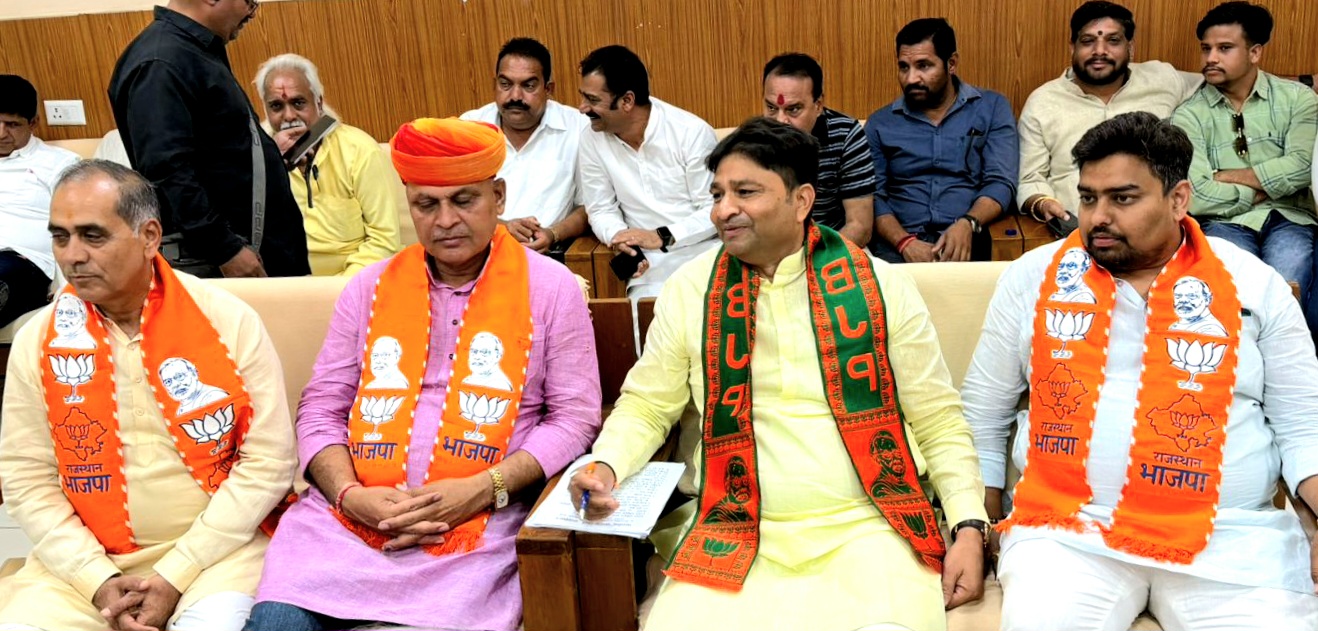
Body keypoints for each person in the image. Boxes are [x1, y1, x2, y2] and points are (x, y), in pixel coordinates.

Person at [571, 117, 989, 631]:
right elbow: (647, 405)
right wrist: (606, 465)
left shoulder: (880, 286)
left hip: (870, 529)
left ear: (802, 201)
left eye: (745, 192)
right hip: (733, 528)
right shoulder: (691, 289)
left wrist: (969, 525)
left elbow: (937, 418)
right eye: (718, 194)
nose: (723, 210)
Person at [962, 112, 1318, 631]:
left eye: (1122, 198)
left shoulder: (1252, 284)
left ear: (1178, 199)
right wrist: (972, 529)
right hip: (1066, 534)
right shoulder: (1033, 279)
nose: (1097, 217)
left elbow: (1303, 423)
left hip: (1230, 539)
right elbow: (983, 413)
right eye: (1088, 198)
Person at [244, 118, 603, 631]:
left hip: (475, 532)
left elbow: (574, 418)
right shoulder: (367, 289)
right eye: (426, 205)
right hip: (340, 531)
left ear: (498, 196)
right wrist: (350, 495)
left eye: (464, 200)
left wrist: (483, 488)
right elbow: (321, 407)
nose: (445, 220)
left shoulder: (551, 288)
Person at [0, 160, 296, 631]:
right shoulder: (38, 339)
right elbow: (25, 477)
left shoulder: (226, 319)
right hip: (80, 571)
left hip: (217, 558)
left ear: (149, 236)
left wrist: (176, 573)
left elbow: (269, 461)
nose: (73, 256)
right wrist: (96, 579)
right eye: (60, 237)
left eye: (93, 236)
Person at [109, 0, 310, 278]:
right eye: (249, 1)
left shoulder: (195, 51)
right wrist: (225, 250)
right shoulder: (160, 63)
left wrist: (268, 159)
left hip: (256, 252)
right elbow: (169, 171)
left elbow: (215, 153)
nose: (252, 12)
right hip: (223, 262)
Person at [1172, 1, 1317, 291]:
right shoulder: (1188, 115)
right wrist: (1262, 190)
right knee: (1236, 287)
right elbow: (1196, 195)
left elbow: (1304, 167)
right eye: (1206, 48)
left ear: (1255, 52)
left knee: (1288, 278)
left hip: (1290, 218)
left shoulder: (1298, 99)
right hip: (1223, 223)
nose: (1211, 58)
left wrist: (1226, 177)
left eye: (1224, 48)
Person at [1018, 1, 1202, 225]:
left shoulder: (1162, 79)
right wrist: (1043, 202)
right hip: (1079, 227)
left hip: (1157, 227)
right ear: (1072, 47)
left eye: (1113, 40)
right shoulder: (1043, 102)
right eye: (1088, 41)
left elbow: (1220, 82)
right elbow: (1030, 178)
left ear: (1130, 48)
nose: (1099, 51)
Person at [866, 18, 1018, 264]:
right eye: (904, 67)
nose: (911, 78)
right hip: (899, 244)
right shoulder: (880, 123)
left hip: (971, 236)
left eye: (923, 66)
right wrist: (904, 242)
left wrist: (967, 223)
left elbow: (1000, 182)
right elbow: (873, 197)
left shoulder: (991, 108)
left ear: (951, 63)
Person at [577, 45, 720, 297]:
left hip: (704, 259)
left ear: (627, 101)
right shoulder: (591, 139)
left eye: (593, 100)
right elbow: (600, 209)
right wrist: (619, 237)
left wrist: (663, 236)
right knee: (640, 319)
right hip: (646, 269)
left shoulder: (691, 133)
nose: (582, 108)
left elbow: (714, 210)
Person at [255, 53, 401, 276]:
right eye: (276, 106)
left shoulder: (359, 150)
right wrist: (273, 164)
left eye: (298, 103)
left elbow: (385, 240)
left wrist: (340, 288)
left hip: (351, 282)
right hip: (282, 284)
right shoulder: (255, 158)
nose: (289, 116)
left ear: (319, 102)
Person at [462, 37, 591, 255]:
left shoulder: (579, 128)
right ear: (495, 84)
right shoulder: (469, 128)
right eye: (505, 84)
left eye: (528, 85)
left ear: (548, 89)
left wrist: (553, 234)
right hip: (481, 252)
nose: (515, 96)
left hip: (551, 254)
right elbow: (454, 203)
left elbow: (590, 206)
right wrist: (502, 228)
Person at [761, 53, 875, 246]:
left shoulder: (845, 134)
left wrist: (811, 258)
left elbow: (860, 227)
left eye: (793, 109)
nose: (780, 121)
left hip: (831, 246)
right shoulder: (752, 141)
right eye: (771, 108)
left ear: (818, 105)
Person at [0, 74, 79, 327]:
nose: (1, 133)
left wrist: (69, 289)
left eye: (12, 124)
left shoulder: (59, 164)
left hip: (21, 263)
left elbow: (75, 226)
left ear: (33, 123)